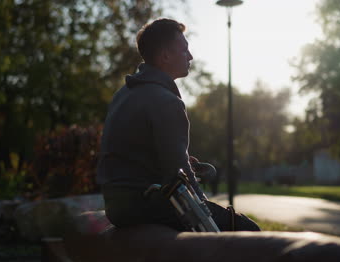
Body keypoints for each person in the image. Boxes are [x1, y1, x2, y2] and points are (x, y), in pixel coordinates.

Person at [97, 18, 259, 232]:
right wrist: (204, 207)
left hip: (116, 207)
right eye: (185, 50)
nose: (190, 56)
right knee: (247, 228)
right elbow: (178, 175)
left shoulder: (123, 94)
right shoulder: (166, 101)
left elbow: (135, 156)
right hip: (148, 205)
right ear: (165, 56)